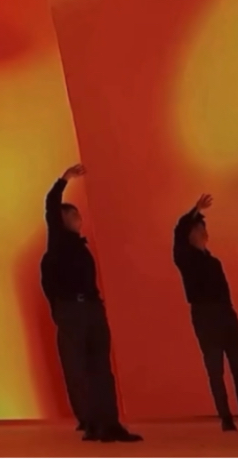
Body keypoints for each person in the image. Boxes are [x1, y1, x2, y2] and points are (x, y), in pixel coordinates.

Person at [40, 164, 141, 444]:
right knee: (80, 369)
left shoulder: (81, 248)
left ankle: (110, 423)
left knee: (101, 368)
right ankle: (92, 422)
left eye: (78, 214)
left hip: (92, 308)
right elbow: (51, 205)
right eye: (71, 214)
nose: (77, 218)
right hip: (72, 310)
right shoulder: (58, 243)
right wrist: (64, 180)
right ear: (61, 219)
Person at [173, 195, 238, 433]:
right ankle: (226, 417)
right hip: (204, 315)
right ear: (189, 235)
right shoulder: (185, 258)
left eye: (203, 229)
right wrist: (195, 210)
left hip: (225, 314)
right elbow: (179, 230)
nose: (201, 232)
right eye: (196, 229)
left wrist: (229, 313)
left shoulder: (214, 262)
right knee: (215, 368)